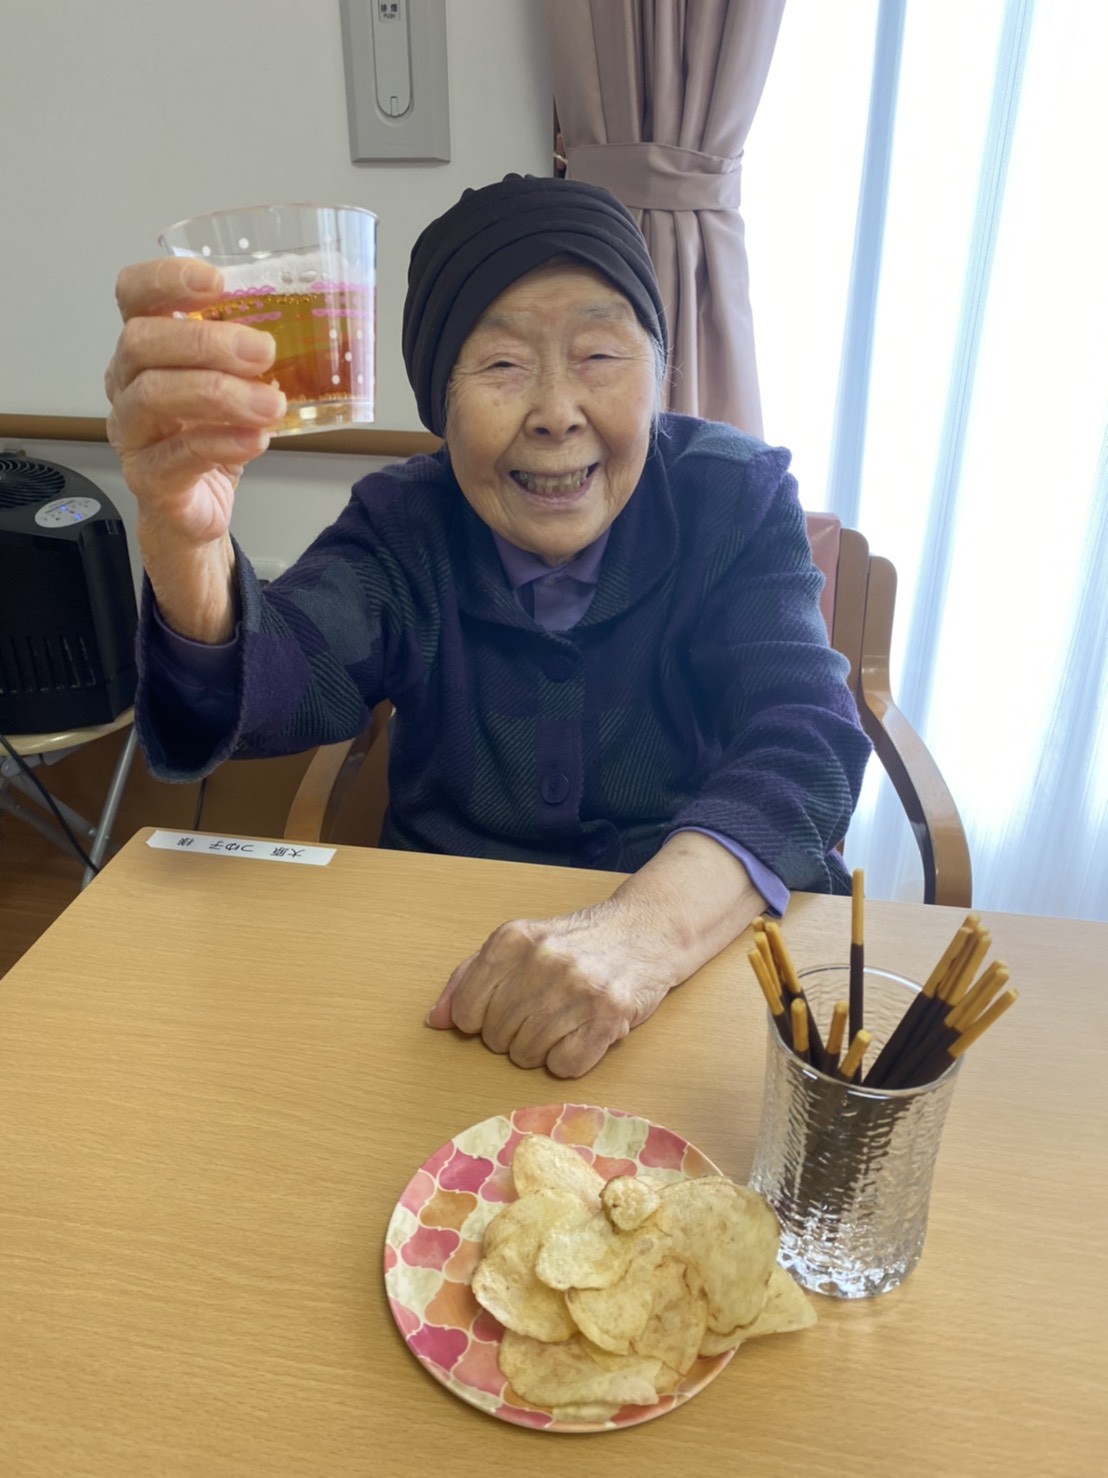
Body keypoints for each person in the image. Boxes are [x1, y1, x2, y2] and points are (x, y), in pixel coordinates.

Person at [104, 174, 871, 1079]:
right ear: (441, 403)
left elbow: (807, 737)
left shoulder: (730, 497)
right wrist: (185, 543)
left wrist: (642, 934)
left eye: (599, 354)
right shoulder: (404, 523)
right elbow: (281, 678)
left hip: (691, 960)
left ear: (660, 373)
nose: (556, 413)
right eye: (502, 365)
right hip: (443, 980)